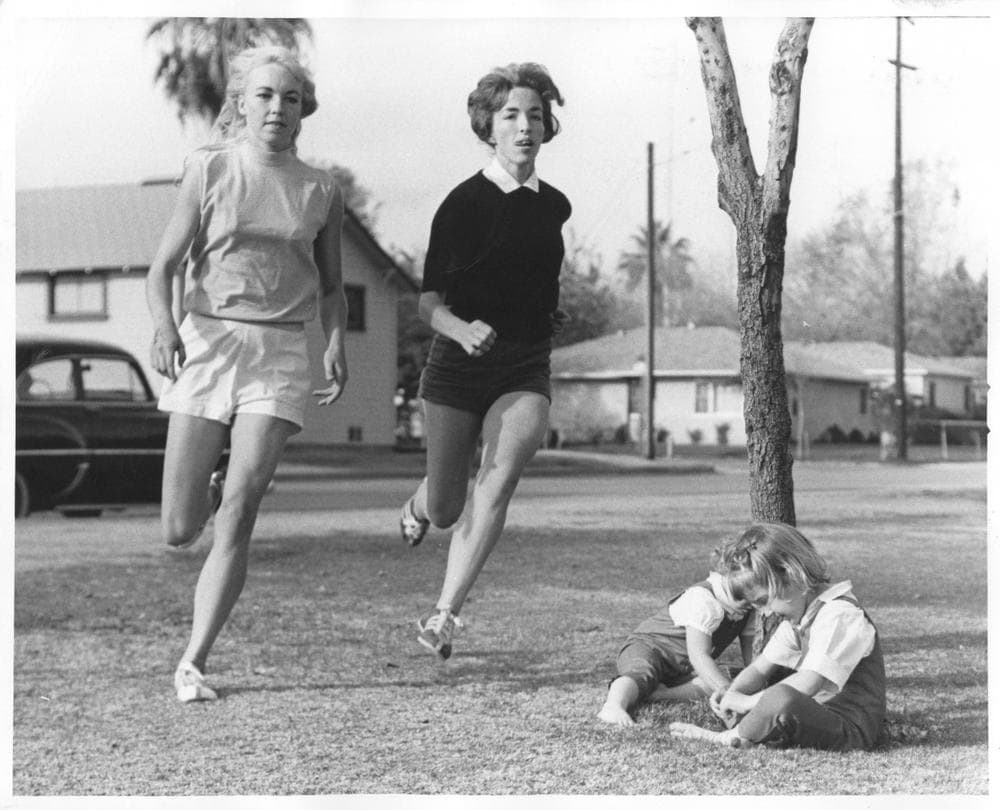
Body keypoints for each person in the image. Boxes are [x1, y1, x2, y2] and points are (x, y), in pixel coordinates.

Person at [146, 45, 349, 702]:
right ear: (241, 103)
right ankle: (205, 483)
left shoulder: (320, 190)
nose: (277, 108)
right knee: (180, 530)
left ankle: (193, 662)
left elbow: (334, 288)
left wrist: (336, 343)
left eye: (290, 98)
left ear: (303, 110)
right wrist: (163, 324)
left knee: (241, 509)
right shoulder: (208, 170)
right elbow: (164, 269)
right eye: (264, 95)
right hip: (208, 342)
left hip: (281, 353)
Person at [398, 63, 571, 660]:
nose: (525, 126)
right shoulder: (463, 204)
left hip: (524, 367)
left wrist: (546, 313)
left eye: (534, 114)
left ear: (548, 124)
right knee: (447, 507)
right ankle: (421, 502)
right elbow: (426, 304)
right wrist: (460, 327)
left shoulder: (556, 206)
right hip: (456, 366)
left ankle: (444, 614)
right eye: (510, 116)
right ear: (488, 128)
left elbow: (533, 279)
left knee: (498, 478)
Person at [669, 523, 886, 751]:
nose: (764, 612)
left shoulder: (839, 614)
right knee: (769, 699)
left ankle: (727, 737)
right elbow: (759, 669)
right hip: (816, 716)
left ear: (792, 576)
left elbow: (809, 682)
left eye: (763, 601)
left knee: (780, 696)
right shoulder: (798, 619)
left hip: (850, 729)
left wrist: (747, 702)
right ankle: (749, 734)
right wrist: (732, 693)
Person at [598, 547, 756, 727]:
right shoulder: (704, 600)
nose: (749, 600)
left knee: (727, 676)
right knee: (642, 671)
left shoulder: (749, 609)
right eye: (742, 593)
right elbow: (699, 656)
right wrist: (729, 693)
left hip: (682, 668)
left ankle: (660, 695)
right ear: (724, 578)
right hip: (650, 648)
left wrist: (749, 684)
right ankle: (613, 705)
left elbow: (751, 655)